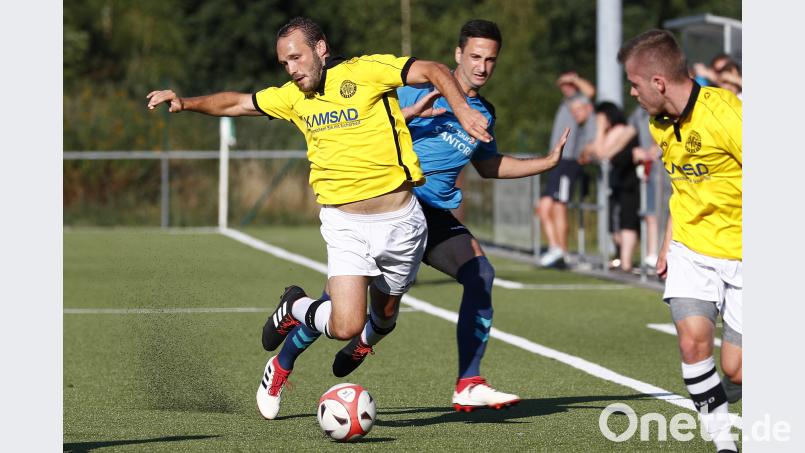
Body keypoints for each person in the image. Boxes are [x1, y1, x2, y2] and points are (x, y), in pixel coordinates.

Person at [147, 16, 494, 421]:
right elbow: (238, 103)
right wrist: (186, 103)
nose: (291, 69)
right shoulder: (293, 97)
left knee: (384, 320)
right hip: (346, 225)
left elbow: (433, 69)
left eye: (296, 58)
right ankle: (291, 321)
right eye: (284, 63)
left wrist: (462, 111)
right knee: (346, 324)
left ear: (321, 49)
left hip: (402, 223)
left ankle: (307, 314)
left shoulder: (366, 72)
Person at [336, 19, 569, 411]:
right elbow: (365, 129)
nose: (482, 66)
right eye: (475, 56)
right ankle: (285, 358)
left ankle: (468, 381)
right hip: (393, 206)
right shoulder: (416, 87)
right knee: (344, 309)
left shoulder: (484, 112)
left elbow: (488, 165)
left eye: (490, 59)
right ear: (458, 54)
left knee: (481, 274)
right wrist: (411, 114)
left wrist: (546, 163)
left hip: (435, 216)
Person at [619, 30, 742, 453]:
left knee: (737, 370)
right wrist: (668, 242)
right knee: (692, 343)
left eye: (634, 84)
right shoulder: (657, 124)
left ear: (658, 82)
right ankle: (724, 444)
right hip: (691, 249)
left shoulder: (727, 114)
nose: (631, 93)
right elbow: (682, 185)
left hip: (743, 252)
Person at [536, 74, 596, 267]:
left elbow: (590, 92)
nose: (566, 88)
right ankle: (555, 248)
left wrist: (575, 79)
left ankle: (562, 251)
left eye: (569, 84)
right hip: (556, 161)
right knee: (543, 207)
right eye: (563, 85)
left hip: (568, 160)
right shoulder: (566, 104)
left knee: (559, 206)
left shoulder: (581, 102)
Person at [579, 101, 641, 272]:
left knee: (627, 222)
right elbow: (587, 152)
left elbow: (601, 152)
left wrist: (599, 130)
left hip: (629, 182)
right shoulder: (609, 133)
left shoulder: (620, 130)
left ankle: (626, 261)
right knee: (614, 224)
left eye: (600, 119)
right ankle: (621, 258)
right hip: (616, 183)